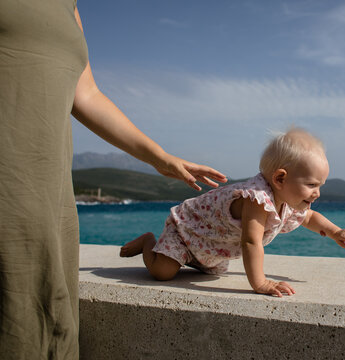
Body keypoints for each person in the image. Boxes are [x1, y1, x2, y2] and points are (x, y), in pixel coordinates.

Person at [0, 1, 226, 359]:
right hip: (8, 186)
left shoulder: (68, 6)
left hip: (48, 195)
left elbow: (86, 94)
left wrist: (160, 158)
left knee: (42, 324)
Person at [121, 128, 345, 297]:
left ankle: (189, 260)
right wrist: (260, 283)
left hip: (210, 248)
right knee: (163, 272)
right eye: (312, 185)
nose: (317, 193)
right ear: (280, 178)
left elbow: (309, 218)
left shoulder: (287, 200)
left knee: (209, 273)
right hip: (187, 232)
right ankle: (147, 242)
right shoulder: (257, 199)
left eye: (321, 185)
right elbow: (251, 241)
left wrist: (334, 231)